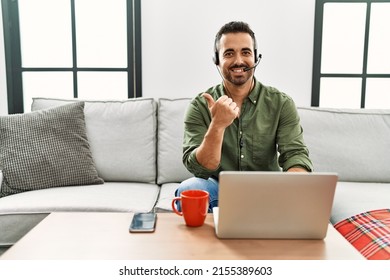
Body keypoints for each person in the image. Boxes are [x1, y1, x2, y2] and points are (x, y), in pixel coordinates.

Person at [175, 21, 313, 211]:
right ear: (217, 60)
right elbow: (200, 168)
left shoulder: (281, 103)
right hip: (219, 190)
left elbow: (295, 155)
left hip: (269, 191)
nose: (239, 61)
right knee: (190, 189)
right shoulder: (199, 105)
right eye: (229, 53)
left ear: (256, 57)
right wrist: (217, 125)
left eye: (246, 52)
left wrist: (292, 187)